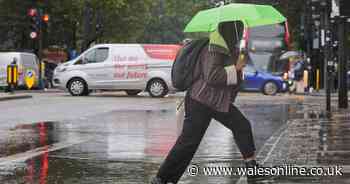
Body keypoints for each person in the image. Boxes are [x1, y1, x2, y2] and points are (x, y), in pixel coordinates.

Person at [151, 21, 262, 184]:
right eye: (237, 30)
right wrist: (236, 68)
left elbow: (231, 81)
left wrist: (239, 69)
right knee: (189, 142)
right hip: (200, 101)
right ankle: (162, 178)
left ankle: (252, 168)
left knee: (241, 125)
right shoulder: (213, 48)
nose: (239, 34)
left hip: (217, 102)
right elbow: (212, 76)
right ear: (229, 31)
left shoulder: (229, 48)